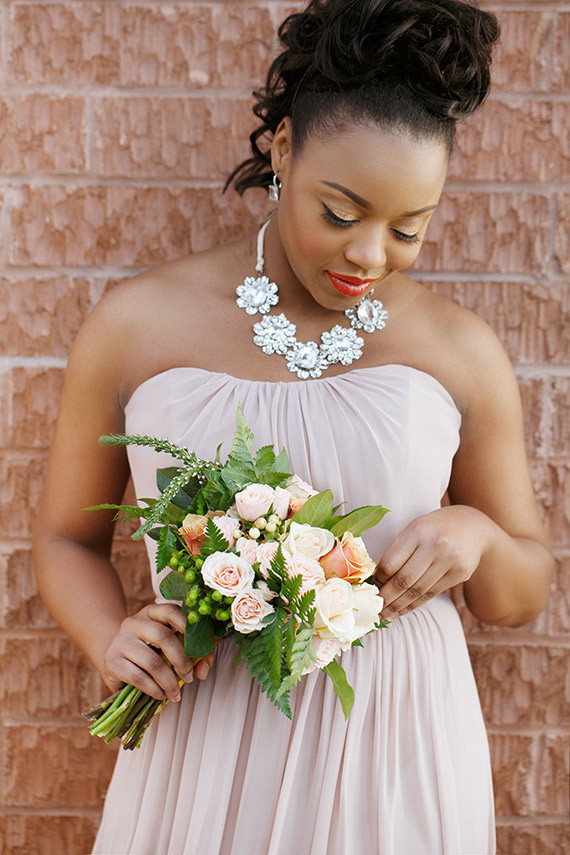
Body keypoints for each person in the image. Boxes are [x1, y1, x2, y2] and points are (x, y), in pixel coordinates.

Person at [33, 1, 554, 853]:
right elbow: (65, 538)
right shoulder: (136, 324)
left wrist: (479, 537)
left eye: (409, 228)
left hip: (395, 745)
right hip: (205, 733)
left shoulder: (461, 350)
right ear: (282, 153)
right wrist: (111, 637)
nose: (369, 257)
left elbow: (519, 591)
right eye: (341, 214)